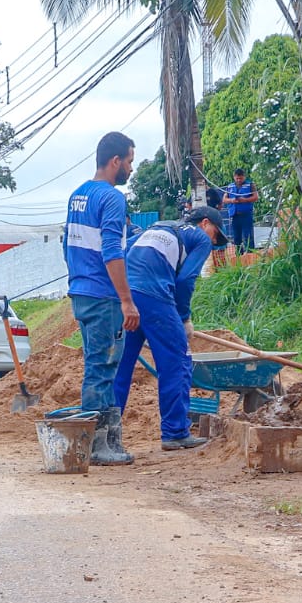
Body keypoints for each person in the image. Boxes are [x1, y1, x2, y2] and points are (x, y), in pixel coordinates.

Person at [110, 206, 227, 451]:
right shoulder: (199, 238)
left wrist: (123, 298)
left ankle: (108, 436)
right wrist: (184, 318)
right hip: (155, 297)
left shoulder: (158, 226)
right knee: (176, 362)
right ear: (205, 223)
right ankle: (175, 432)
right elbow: (185, 280)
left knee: (121, 366)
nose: (214, 241)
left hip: (128, 299)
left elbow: (123, 252)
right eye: (216, 234)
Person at [64, 132, 139, 466]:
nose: (131, 169)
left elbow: (68, 246)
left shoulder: (77, 195)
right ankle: (96, 445)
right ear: (115, 161)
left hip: (81, 292)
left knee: (104, 365)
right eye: (130, 162)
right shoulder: (111, 198)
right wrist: (126, 300)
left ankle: (109, 443)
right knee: (100, 367)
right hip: (102, 295)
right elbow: (112, 251)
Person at [222, 169, 257, 252]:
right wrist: (232, 200)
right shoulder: (230, 186)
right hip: (234, 215)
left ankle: (250, 255)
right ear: (234, 177)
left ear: (244, 177)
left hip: (246, 214)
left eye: (240, 178)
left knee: (248, 236)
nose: (239, 180)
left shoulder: (250, 185)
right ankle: (239, 256)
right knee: (236, 238)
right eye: (237, 178)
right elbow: (224, 199)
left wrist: (244, 200)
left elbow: (255, 197)